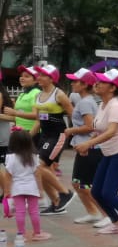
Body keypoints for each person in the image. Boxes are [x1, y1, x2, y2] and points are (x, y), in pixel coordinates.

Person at [74, 69, 118, 242]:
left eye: (102, 82)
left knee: (109, 193)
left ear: (113, 88)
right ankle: (116, 223)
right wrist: (89, 144)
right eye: (98, 81)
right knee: (97, 192)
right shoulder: (102, 104)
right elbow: (100, 129)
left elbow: (112, 131)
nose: (97, 84)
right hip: (109, 154)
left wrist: (88, 144)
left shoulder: (115, 105)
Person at [29, 63, 76, 215]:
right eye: (39, 74)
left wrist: (77, 135)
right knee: (41, 169)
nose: (39, 77)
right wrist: (28, 137)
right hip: (44, 136)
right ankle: (56, 203)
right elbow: (38, 120)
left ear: (52, 78)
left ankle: (65, 193)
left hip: (58, 136)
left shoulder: (59, 95)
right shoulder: (37, 95)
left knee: (40, 165)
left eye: (43, 75)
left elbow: (73, 115)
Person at [62, 69, 106, 225]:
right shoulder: (84, 101)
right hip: (84, 148)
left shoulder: (86, 102)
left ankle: (107, 215)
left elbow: (90, 126)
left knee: (86, 185)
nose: (72, 83)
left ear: (84, 84)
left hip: (90, 149)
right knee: (78, 184)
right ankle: (93, 213)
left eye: (75, 81)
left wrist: (71, 130)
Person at [4, 128, 50, 241]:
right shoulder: (34, 157)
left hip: (17, 188)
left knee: (20, 211)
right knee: (34, 211)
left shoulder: (10, 158)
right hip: (32, 188)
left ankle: (21, 234)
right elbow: (38, 175)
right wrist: (41, 190)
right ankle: (37, 233)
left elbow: (7, 176)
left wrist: (6, 191)